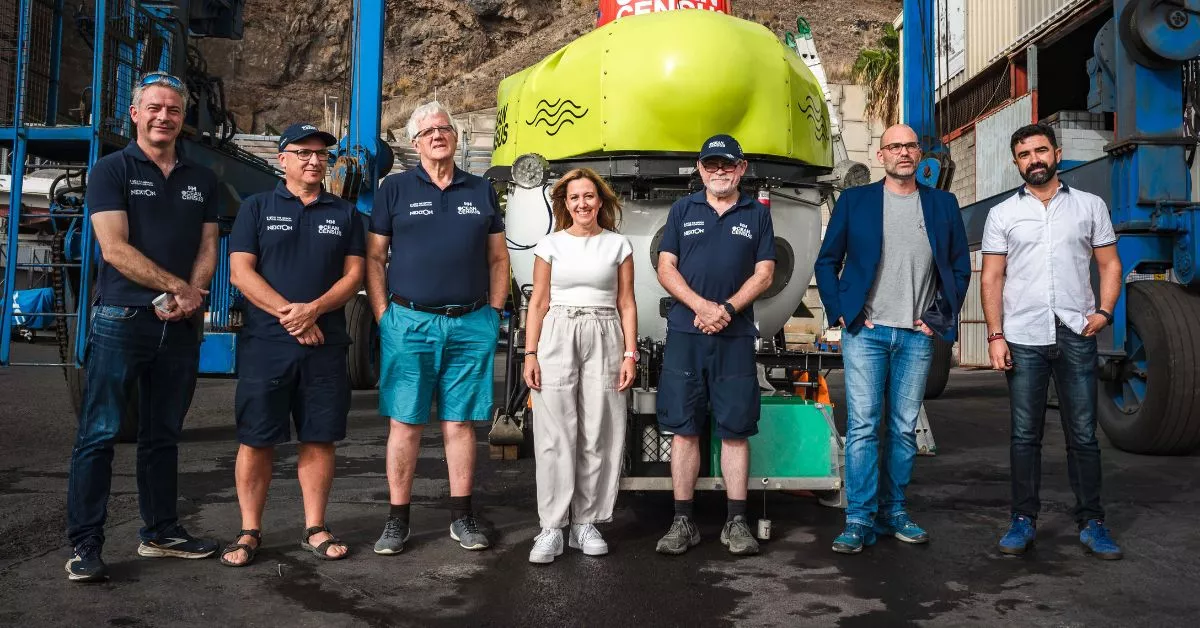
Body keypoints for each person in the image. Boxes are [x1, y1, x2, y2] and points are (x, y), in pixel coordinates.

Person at [67, 72, 220, 582]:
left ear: (182, 118)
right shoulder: (111, 170)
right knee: (100, 434)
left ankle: (161, 533)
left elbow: (208, 246)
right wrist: (179, 289)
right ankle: (86, 544)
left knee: (162, 436)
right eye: (154, 108)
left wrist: (190, 295)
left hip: (179, 324)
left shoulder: (202, 179)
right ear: (135, 114)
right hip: (122, 318)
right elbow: (114, 248)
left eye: (173, 110)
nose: (164, 117)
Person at [814, 123, 971, 555]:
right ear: (881, 156)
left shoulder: (942, 204)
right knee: (863, 426)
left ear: (919, 155)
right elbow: (827, 262)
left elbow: (959, 267)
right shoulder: (856, 201)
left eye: (910, 146)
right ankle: (859, 518)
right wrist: (842, 311)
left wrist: (939, 317)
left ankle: (894, 510)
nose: (903, 152)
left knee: (902, 430)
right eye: (894, 146)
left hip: (917, 336)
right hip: (866, 331)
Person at [366, 102, 510, 554]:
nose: (437, 135)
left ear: (456, 137)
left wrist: (493, 312)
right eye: (428, 131)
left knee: (460, 424)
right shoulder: (395, 189)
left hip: (470, 323)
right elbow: (374, 258)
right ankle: (397, 521)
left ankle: (462, 517)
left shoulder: (480, 190)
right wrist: (383, 317)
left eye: (444, 128)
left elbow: (499, 258)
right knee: (405, 424)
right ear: (414, 143)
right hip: (408, 323)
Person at [220, 123, 366, 566]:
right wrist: (293, 315)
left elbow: (354, 276)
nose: (313, 160)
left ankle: (315, 527)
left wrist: (314, 310)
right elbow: (240, 273)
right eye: (302, 152)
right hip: (268, 343)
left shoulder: (345, 214)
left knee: (319, 438)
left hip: (324, 342)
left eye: (321, 154)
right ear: (282, 159)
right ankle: (249, 531)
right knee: (256, 438)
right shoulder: (257, 208)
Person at [982, 123, 1124, 560]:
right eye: (1025, 154)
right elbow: (991, 277)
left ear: (1057, 154)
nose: (1034, 160)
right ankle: (1023, 520)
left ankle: (1092, 522)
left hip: (1076, 333)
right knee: (1025, 435)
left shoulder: (1089, 206)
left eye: (1040, 151)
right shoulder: (1003, 214)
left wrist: (1103, 312)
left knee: (1082, 433)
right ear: (1016, 163)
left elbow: (1110, 265)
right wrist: (995, 335)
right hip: (1023, 336)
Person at [654, 134, 775, 556]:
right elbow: (666, 268)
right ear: (700, 169)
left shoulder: (756, 215)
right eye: (711, 164)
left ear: (741, 169)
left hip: (735, 335)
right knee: (684, 429)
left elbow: (765, 274)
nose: (719, 171)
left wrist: (725, 308)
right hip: (687, 335)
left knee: (735, 430)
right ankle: (682, 521)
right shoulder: (682, 210)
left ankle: (736, 523)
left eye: (727, 164)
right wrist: (701, 307)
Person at [521, 168, 637, 564]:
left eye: (589, 196)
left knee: (598, 431)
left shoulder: (618, 245)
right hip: (557, 331)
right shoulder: (549, 245)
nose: (582, 204)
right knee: (554, 434)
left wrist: (630, 354)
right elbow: (537, 303)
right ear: (565, 204)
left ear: (600, 201)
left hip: (605, 332)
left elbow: (626, 303)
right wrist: (530, 353)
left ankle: (585, 523)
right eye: (574, 198)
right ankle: (551, 527)